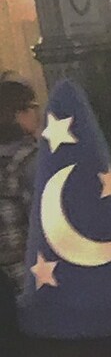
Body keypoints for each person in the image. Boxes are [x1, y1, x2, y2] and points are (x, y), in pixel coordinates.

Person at [0, 80, 39, 291]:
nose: (38, 113)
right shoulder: (30, 159)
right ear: (18, 114)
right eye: (34, 106)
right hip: (33, 269)